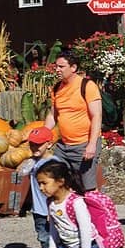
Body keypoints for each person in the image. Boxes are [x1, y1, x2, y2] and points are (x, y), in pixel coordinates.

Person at [36, 161, 104, 248]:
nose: (41, 188)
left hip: (89, 247)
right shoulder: (50, 202)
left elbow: (85, 229)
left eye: (44, 183)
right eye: (39, 184)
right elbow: (53, 226)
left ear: (60, 181)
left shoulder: (76, 202)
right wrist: (52, 247)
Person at [45, 51, 102, 191]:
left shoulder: (87, 86)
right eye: (56, 66)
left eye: (61, 66)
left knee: (88, 188)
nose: (57, 70)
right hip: (63, 146)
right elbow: (53, 115)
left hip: (83, 145)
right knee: (56, 180)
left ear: (73, 68)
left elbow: (97, 116)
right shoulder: (57, 88)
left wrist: (92, 145)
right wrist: (44, 135)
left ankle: (94, 211)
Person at [26, 126, 61, 248]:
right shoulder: (33, 162)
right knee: (43, 238)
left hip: (49, 209)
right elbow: (20, 173)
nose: (34, 147)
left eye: (38, 144)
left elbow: (58, 188)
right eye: (32, 144)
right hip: (38, 209)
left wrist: (51, 208)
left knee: (50, 239)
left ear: (49, 143)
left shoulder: (53, 163)